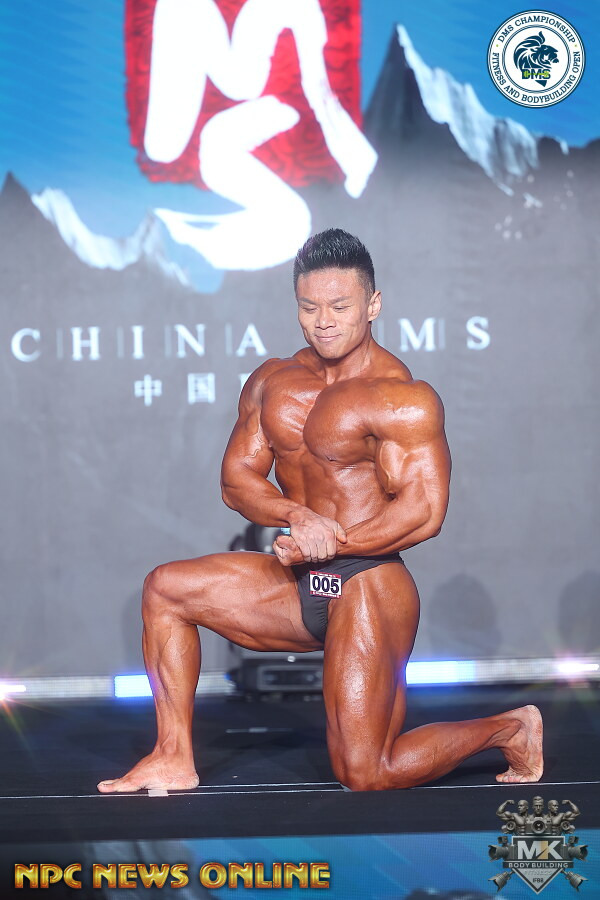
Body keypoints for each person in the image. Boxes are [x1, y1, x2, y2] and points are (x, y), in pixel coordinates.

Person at [98, 229, 543, 793]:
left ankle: (510, 729)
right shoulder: (273, 381)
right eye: (310, 308)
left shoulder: (402, 398)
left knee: (367, 771)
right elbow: (236, 479)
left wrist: (338, 541)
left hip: (368, 580)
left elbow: (425, 511)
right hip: (299, 576)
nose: (324, 321)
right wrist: (298, 517)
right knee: (165, 589)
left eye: (339, 306)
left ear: (373, 305)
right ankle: (172, 755)